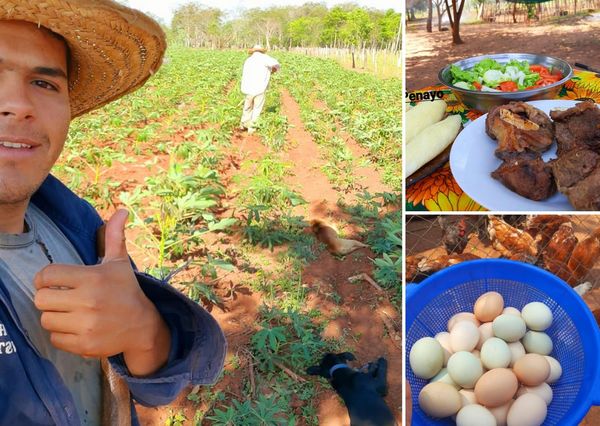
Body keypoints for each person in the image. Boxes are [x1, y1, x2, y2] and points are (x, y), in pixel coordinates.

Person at [0, 1, 226, 425]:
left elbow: (154, 386)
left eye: (45, 84)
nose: (17, 104)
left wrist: (143, 329)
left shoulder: (77, 225)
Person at [240, 44, 281, 134]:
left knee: (247, 107)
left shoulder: (248, 60)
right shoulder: (265, 58)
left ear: (253, 51)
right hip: (260, 87)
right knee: (257, 108)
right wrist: (272, 71)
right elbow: (276, 65)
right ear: (262, 51)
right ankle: (252, 128)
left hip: (248, 87)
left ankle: (243, 124)